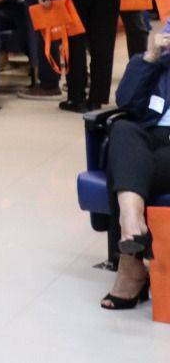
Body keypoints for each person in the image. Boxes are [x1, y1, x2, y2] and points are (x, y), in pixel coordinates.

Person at [99, 23, 170, 310]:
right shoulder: (160, 61)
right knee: (123, 129)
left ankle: (130, 266)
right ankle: (132, 222)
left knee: (129, 165)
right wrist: (151, 57)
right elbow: (126, 101)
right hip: (149, 137)